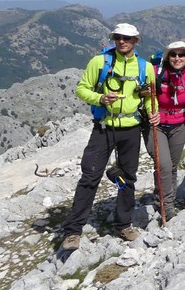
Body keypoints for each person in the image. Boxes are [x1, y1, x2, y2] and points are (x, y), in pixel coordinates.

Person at [61, 23, 159, 250]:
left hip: (131, 127)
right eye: (118, 37)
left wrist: (153, 111)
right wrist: (101, 99)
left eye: (126, 38)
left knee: (128, 178)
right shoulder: (100, 62)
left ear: (136, 41)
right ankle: (73, 231)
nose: (121, 41)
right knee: (89, 177)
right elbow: (82, 89)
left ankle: (123, 224)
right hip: (104, 127)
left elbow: (149, 96)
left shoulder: (145, 67)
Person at [146, 41, 185, 220]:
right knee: (164, 165)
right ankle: (168, 207)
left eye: (181, 55)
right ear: (167, 57)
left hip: (179, 126)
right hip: (156, 126)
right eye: (173, 54)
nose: (177, 58)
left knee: (171, 167)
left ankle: (163, 199)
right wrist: (149, 113)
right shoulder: (156, 73)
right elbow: (142, 96)